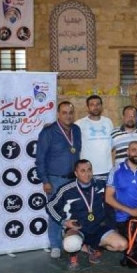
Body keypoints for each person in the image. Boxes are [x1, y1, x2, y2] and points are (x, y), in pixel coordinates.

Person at [46, 159, 127, 270]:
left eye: (89, 170)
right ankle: (74, 254)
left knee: (122, 245)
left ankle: (92, 248)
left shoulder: (100, 183)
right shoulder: (67, 189)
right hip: (78, 228)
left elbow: (118, 182)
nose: (87, 174)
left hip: (98, 228)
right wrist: (63, 221)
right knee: (71, 244)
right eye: (83, 171)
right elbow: (50, 206)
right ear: (76, 173)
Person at [36, 101, 81, 259]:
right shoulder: (48, 132)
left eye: (70, 112)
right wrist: (45, 180)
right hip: (55, 180)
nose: (68, 116)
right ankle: (55, 245)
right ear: (58, 114)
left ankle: (72, 241)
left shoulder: (76, 130)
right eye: (64, 112)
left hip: (73, 179)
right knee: (55, 212)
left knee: (74, 210)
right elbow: (40, 159)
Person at [75, 94, 114, 179]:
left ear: (102, 106)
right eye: (92, 105)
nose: (95, 107)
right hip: (88, 172)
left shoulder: (108, 122)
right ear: (87, 107)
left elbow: (112, 145)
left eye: (98, 104)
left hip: (107, 170)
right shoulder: (79, 123)